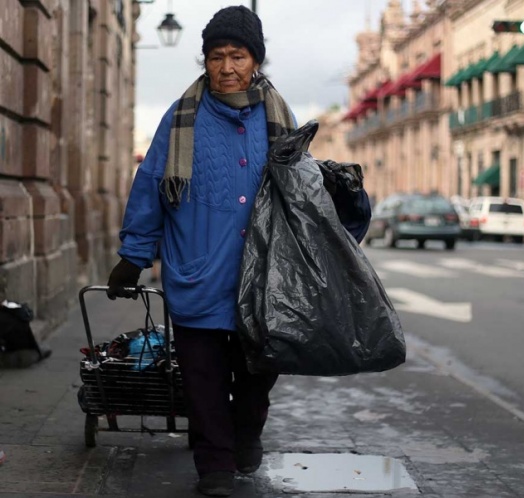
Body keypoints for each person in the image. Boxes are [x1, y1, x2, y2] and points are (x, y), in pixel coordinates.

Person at [105, 6, 371, 496]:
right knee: (204, 385)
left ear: (256, 60)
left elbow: (299, 188)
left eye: (238, 56)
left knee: (255, 380)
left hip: (265, 280)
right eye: (216, 56)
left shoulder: (280, 116)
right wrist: (134, 256)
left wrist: (338, 198)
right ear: (204, 61)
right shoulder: (181, 117)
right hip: (197, 274)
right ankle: (216, 467)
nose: (227, 67)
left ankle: (246, 433)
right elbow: (149, 188)